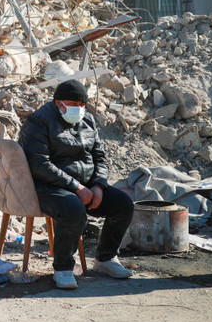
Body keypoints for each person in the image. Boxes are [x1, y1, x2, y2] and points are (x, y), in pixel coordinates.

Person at [18, 79, 134, 289]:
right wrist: (76, 188)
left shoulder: (87, 121)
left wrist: (99, 185)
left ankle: (106, 259)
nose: (78, 109)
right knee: (73, 208)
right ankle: (63, 268)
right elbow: (39, 164)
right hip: (48, 187)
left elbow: (100, 157)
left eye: (82, 106)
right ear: (58, 103)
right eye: (73, 104)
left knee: (123, 204)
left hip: (87, 185)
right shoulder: (38, 122)